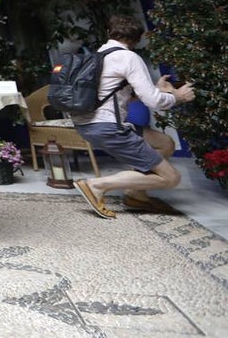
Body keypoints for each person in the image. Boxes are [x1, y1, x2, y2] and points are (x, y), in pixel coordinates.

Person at [71, 15, 196, 219]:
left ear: (109, 33)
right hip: (108, 126)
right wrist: (179, 97)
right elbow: (153, 102)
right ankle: (96, 185)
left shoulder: (99, 55)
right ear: (137, 39)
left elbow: (121, 94)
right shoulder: (129, 58)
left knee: (164, 143)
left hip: (90, 124)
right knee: (171, 178)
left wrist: (161, 91)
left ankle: (136, 194)